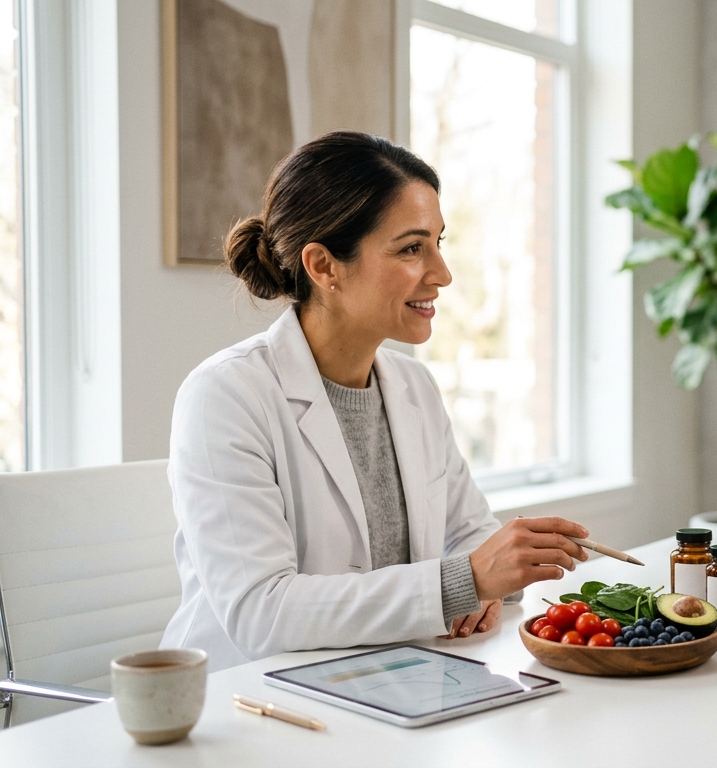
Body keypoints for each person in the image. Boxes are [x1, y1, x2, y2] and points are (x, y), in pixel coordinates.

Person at [161, 131, 589, 672]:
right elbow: (262, 613)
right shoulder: (225, 396)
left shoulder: (414, 389)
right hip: (248, 705)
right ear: (324, 266)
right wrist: (465, 581)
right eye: (412, 248)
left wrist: (482, 584)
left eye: (439, 242)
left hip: (389, 683)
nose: (443, 274)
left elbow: (469, 534)